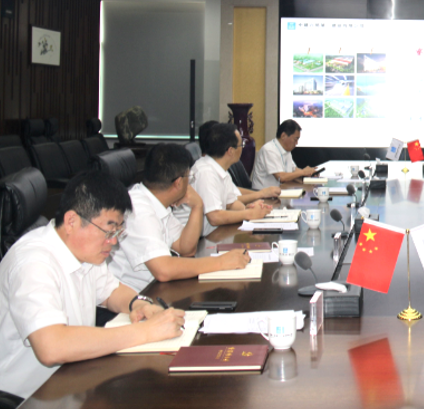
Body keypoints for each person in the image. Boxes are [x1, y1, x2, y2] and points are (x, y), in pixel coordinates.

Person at [0, 171, 185, 402]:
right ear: (71, 221)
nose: (114, 241)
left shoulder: (85, 250)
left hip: (72, 381)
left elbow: (111, 291)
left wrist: (140, 304)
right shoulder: (33, 263)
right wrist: (145, 332)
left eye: (118, 231)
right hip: (27, 397)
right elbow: (51, 347)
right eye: (109, 231)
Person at [109, 144, 251, 292]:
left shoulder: (157, 203)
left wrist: (197, 206)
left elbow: (186, 248)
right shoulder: (138, 210)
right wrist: (221, 262)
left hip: (157, 290)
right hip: (136, 298)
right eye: (189, 177)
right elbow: (164, 270)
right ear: (178, 183)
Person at [192, 123, 274, 234]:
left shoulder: (221, 169)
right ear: (231, 151)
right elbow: (215, 217)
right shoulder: (205, 172)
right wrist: (249, 214)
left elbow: (231, 204)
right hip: (202, 240)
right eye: (241, 145)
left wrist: (250, 209)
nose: (242, 149)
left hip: (218, 234)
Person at [252, 120, 316, 190]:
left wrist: (309, 174)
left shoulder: (286, 150)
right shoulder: (269, 150)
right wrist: (303, 172)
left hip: (279, 190)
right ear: (283, 136)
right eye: (295, 139)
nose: (297, 143)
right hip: (262, 194)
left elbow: (293, 170)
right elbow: (281, 177)